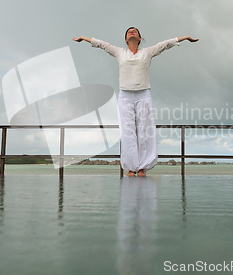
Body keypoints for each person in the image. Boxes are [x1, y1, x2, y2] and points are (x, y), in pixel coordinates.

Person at [73, 28, 199, 177]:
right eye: (128, 32)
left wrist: (184, 38)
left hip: (143, 95)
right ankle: (131, 168)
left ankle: (142, 168)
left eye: (134, 31)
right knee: (128, 132)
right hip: (125, 96)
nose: (131, 32)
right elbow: (102, 44)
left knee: (145, 131)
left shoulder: (147, 52)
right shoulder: (119, 52)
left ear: (139, 38)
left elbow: (165, 44)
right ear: (126, 40)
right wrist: (83, 38)